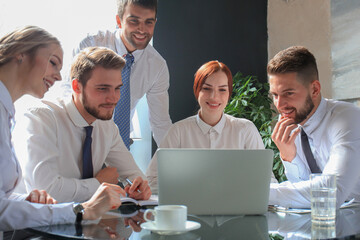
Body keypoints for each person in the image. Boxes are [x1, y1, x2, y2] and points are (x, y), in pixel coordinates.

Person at [0, 26, 125, 231]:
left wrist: (26, 200)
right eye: (53, 62)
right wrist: (82, 211)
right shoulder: (36, 115)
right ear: (19, 54)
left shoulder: (6, 113)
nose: (58, 77)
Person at [13, 46, 151, 203]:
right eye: (103, 89)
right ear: (76, 87)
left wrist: (141, 187)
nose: (113, 98)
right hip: (33, 224)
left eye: (117, 88)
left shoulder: (107, 127)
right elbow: (46, 190)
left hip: (85, 222)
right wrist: (98, 184)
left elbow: (135, 176)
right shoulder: (40, 118)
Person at [146, 60, 268, 192]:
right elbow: (152, 180)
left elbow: (267, 179)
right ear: (197, 90)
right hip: (189, 209)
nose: (214, 96)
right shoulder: (178, 131)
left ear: (229, 93)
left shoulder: (245, 130)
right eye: (206, 88)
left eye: (222, 89)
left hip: (236, 209)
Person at [268, 46, 360, 208]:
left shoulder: (347, 118)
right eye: (275, 95)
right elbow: (305, 190)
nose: (279, 105)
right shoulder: (295, 123)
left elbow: (331, 193)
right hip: (330, 224)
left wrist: (260, 193)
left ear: (315, 89)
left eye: (289, 93)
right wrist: (289, 157)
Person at [72, 0, 172, 148]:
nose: (142, 29)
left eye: (148, 22)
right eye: (134, 21)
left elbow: (160, 123)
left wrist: (177, 161)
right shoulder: (90, 45)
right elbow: (71, 98)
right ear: (119, 20)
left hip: (120, 145)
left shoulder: (157, 66)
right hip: (82, 140)